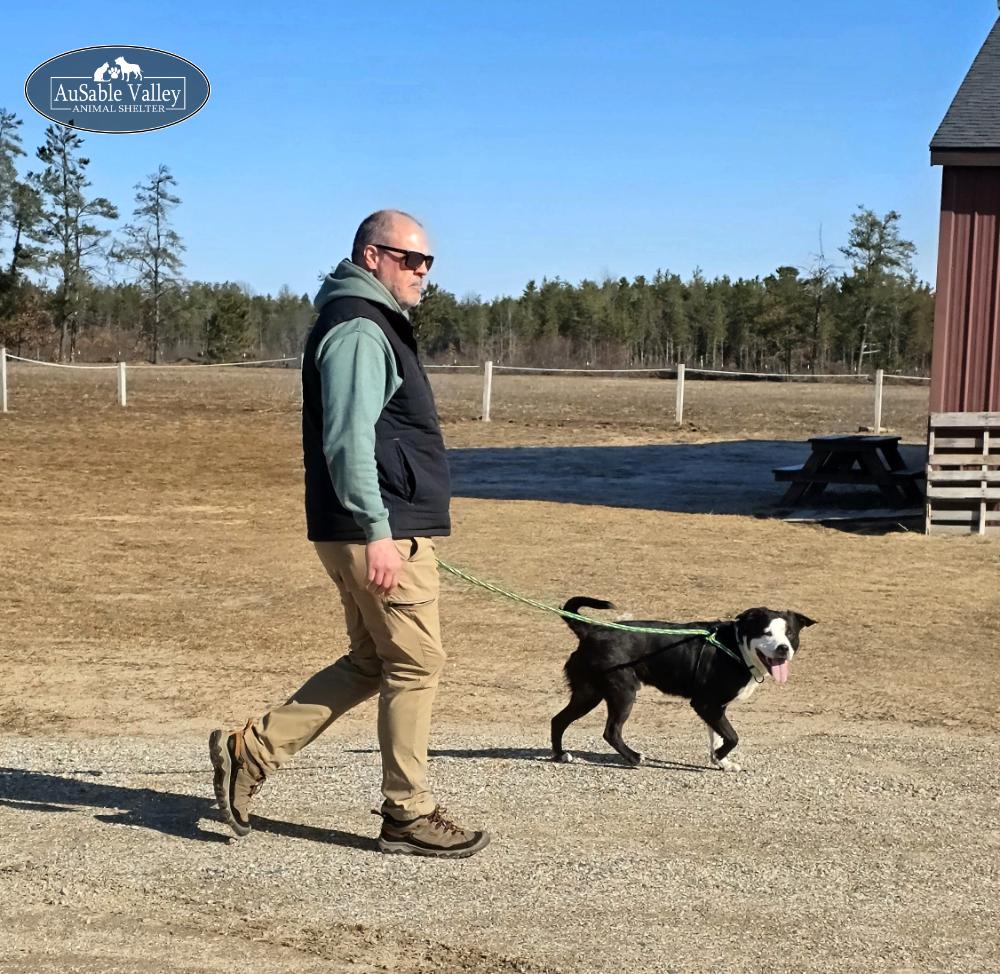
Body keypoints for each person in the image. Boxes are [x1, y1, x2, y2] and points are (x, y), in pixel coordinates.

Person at [209, 210, 490, 858]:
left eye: (428, 262)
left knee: (373, 661)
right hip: (376, 531)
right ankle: (407, 812)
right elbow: (346, 439)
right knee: (418, 662)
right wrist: (378, 530)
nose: (422, 272)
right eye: (409, 259)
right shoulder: (361, 328)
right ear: (371, 255)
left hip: (364, 528)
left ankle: (249, 753)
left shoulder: (365, 321)